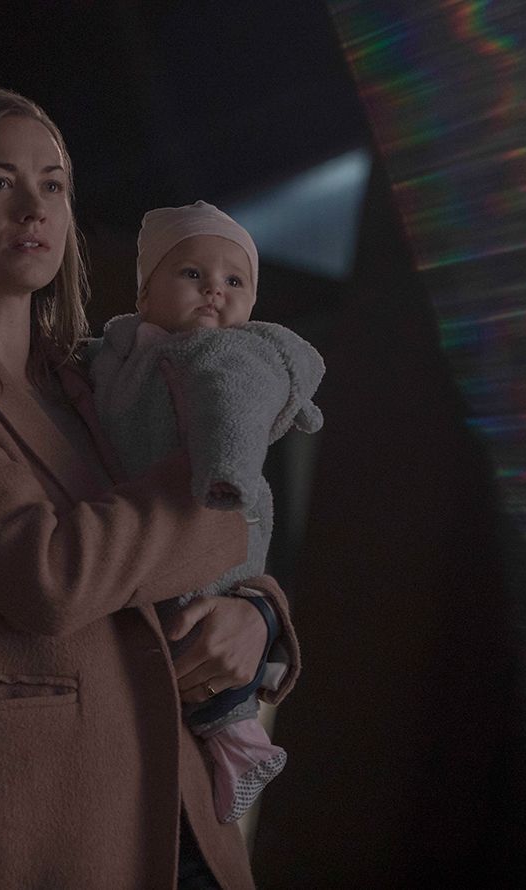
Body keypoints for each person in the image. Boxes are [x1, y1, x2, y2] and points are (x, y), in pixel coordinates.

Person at [0, 87, 300, 889]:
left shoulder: (93, 383)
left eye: (51, 184)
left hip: (174, 807)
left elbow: (168, 563)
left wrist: (256, 616)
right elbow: (50, 576)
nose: (33, 207)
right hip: (19, 825)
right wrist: (213, 475)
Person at [87, 202, 324, 824]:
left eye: (234, 281)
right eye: (193, 274)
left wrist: (228, 474)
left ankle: (243, 748)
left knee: (198, 621)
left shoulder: (224, 355)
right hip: (157, 524)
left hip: (220, 507)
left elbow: (233, 413)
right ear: (145, 292)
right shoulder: (120, 350)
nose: (215, 290)